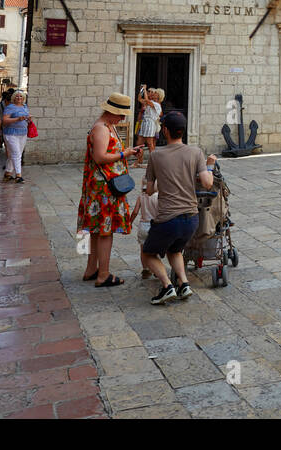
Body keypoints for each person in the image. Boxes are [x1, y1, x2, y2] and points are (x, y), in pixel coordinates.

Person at [142, 110, 215, 304]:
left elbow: (149, 190)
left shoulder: (156, 155)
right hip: (191, 218)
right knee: (175, 250)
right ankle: (184, 284)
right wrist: (209, 166)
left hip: (168, 218)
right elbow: (207, 183)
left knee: (148, 254)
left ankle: (167, 286)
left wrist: (161, 183)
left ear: (165, 130)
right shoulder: (196, 152)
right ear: (182, 131)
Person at [78, 93, 145, 287]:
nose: (123, 118)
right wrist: (125, 153)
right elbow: (99, 157)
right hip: (103, 188)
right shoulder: (101, 129)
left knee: (97, 229)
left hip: (102, 185)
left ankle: (92, 269)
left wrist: (128, 151)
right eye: (121, 114)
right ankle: (103, 274)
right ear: (111, 111)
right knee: (105, 230)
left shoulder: (108, 126)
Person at [0, 90, 30, 183]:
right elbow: (4, 120)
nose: (19, 98)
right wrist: (17, 119)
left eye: (21, 96)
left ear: (23, 98)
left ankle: (7, 174)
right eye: (17, 96)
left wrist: (28, 119)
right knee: (16, 154)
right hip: (11, 134)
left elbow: (26, 119)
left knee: (16, 154)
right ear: (14, 98)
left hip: (22, 133)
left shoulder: (25, 107)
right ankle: (18, 176)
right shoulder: (10, 107)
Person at [131, 186, 158, 279]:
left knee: (143, 250)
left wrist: (130, 222)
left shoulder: (141, 196)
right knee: (154, 250)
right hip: (154, 226)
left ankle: (145, 269)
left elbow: (135, 212)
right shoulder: (157, 196)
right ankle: (156, 269)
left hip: (143, 226)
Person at [135, 85, 162, 165]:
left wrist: (145, 89)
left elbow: (146, 100)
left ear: (158, 96)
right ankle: (139, 160)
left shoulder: (157, 104)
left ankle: (153, 162)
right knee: (139, 143)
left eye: (155, 93)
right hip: (144, 123)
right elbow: (140, 99)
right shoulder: (150, 103)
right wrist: (141, 90)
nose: (153, 94)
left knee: (150, 144)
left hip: (150, 123)